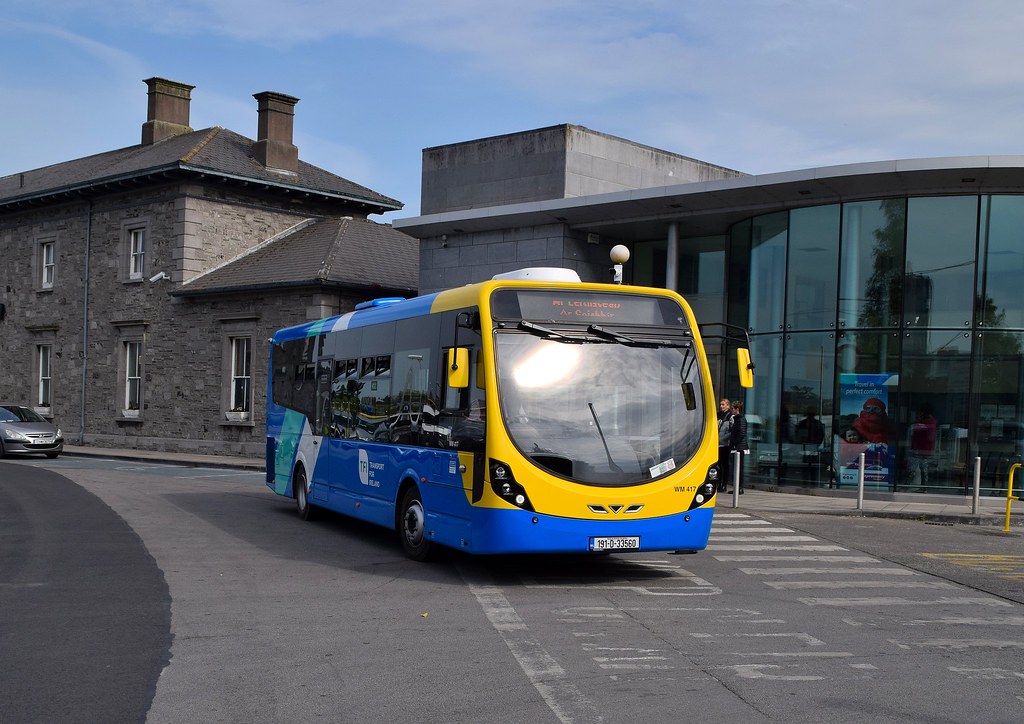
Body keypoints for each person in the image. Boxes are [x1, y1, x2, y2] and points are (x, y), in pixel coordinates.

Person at [908, 403, 937, 486]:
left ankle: (923, 487)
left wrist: (919, 426)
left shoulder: (930, 420)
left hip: (924, 450)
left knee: (921, 469)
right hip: (918, 448)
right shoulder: (921, 419)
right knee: (914, 469)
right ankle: (909, 485)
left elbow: (924, 429)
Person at [729, 400, 749, 494]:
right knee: (736, 468)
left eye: (732, 408)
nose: (731, 410)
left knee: (739, 468)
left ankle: (739, 488)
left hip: (739, 447)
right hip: (736, 446)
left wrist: (734, 443)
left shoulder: (741, 419)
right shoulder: (736, 419)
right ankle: (737, 487)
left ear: (737, 409)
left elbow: (741, 434)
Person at [717, 398, 733, 492]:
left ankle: (724, 484)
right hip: (718, 444)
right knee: (719, 465)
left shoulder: (730, 416)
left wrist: (721, 439)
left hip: (725, 444)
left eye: (723, 404)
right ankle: (719, 483)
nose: (721, 406)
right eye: (721, 404)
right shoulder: (719, 415)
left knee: (724, 465)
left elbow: (731, 432)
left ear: (728, 405)